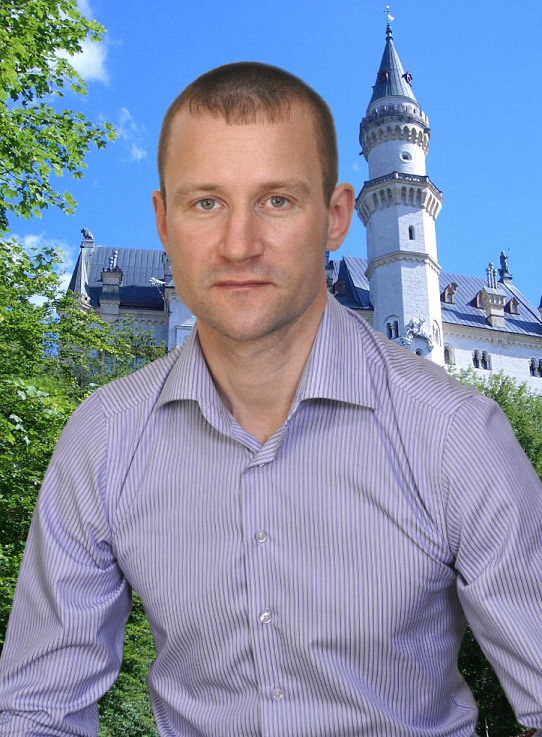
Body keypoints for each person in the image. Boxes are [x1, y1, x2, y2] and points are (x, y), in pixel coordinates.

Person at [0, 62, 541, 737]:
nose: (240, 244)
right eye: (206, 203)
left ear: (337, 217)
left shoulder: (455, 433)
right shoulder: (106, 437)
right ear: (164, 225)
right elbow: (37, 708)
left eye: (278, 200)